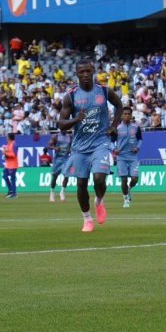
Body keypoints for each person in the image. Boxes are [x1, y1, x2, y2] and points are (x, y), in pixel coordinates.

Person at [58, 60, 123, 232]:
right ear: (77, 74)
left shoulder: (103, 91)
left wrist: (113, 126)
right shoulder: (70, 96)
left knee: (99, 178)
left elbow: (119, 105)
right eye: (82, 72)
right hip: (80, 147)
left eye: (88, 71)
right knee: (81, 184)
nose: (85, 74)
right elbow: (61, 124)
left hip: (101, 143)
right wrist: (75, 119)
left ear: (93, 71)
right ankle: (87, 219)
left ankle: (99, 201)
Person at [113, 110, 142, 208]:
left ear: (131, 115)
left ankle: (129, 188)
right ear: (121, 115)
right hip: (121, 157)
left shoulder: (136, 127)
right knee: (124, 179)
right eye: (124, 114)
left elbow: (140, 139)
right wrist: (114, 149)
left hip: (133, 156)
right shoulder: (117, 128)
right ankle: (126, 199)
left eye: (128, 114)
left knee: (135, 178)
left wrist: (137, 147)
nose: (126, 115)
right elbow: (111, 141)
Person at [47, 129, 71, 202]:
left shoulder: (69, 136)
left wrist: (70, 150)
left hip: (66, 158)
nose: (64, 128)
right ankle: (52, 192)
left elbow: (71, 146)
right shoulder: (56, 136)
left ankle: (62, 192)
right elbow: (49, 146)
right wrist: (55, 148)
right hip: (58, 159)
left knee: (66, 175)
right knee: (54, 176)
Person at [1, 132, 19, 199]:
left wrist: (5, 154)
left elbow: (14, 155)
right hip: (8, 164)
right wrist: (4, 152)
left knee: (12, 179)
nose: (6, 138)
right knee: (4, 176)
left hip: (13, 165)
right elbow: (7, 152)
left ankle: (14, 193)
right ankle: (11, 190)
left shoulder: (14, 144)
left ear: (9, 137)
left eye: (7, 136)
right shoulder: (8, 144)